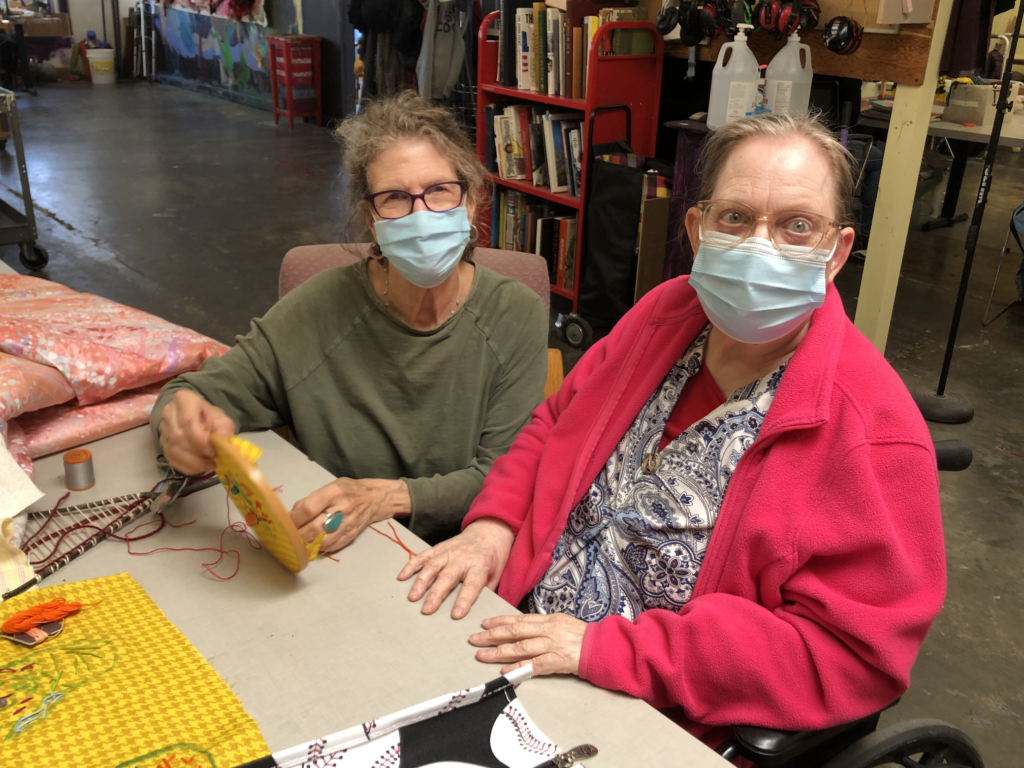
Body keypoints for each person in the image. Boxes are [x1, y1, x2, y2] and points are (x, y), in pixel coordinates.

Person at [398, 113, 945, 739]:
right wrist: (493, 529)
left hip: (650, 718)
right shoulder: (664, 314)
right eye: (735, 217)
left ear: (836, 252)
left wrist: (614, 652)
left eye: (798, 225)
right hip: (509, 627)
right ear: (697, 228)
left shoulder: (874, 431)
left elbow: (852, 656)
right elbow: (555, 423)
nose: (761, 245)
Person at [152, 91, 548, 552]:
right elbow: (188, 396)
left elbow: (505, 476)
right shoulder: (320, 309)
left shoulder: (514, 315)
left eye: (440, 191)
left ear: (472, 200)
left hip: (462, 552)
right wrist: (181, 428)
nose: (422, 215)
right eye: (396, 198)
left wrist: (385, 497)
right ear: (370, 216)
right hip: (343, 555)